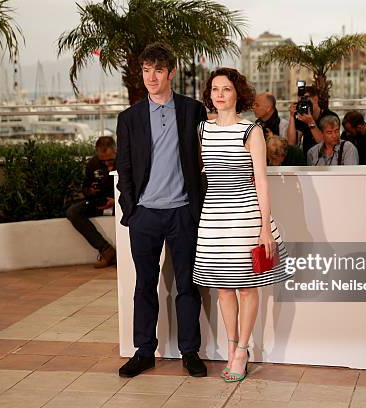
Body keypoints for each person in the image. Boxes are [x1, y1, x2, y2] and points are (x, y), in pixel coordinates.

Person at [115, 43, 207, 378]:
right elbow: (123, 167)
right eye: (145, 70)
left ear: (171, 72)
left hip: (183, 212)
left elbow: (204, 155)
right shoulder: (129, 118)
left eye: (157, 70)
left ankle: (190, 351)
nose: (150, 77)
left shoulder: (192, 110)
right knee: (145, 285)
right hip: (145, 216)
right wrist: (131, 209)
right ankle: (143, 351)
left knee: (187, 285)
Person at [193, 68, 289, 383]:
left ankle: (242, 350)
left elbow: (261, 181)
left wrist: (264, 226)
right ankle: (231, 345)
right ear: (209, 94)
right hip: (214, 217)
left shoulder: (252, 131)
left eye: (227, 89)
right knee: (223, 288)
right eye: (215, 89)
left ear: (238, 94)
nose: (220, 94)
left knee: (247, 287)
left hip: (246, 216)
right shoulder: (201, 131)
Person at [66, 136, 117, 268]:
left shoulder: (127, 160)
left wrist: (116, 200)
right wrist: (90, 191)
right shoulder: (93, 164)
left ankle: (127, 255)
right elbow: (84, 188)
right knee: (73, 212)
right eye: (103, 161)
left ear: (116, 151)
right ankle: (106, 250)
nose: (107, 164)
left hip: (121, 202)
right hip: (98, 201)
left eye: (110, 160)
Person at [286, 85, 340, 156]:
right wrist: (292, 116)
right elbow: (292, 143)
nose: (304, 103)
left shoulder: (330, 117)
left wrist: (310, 122)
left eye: (306, 98)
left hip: (327, 159)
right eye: (301, 100)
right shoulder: (302, 117)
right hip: (308, 160)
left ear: (315, 99)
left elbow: (326, 143)